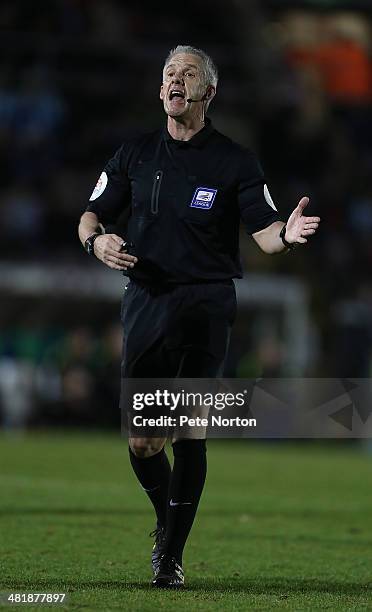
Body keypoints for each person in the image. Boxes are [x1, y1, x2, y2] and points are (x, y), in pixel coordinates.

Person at [78, 45, 320, 588]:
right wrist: (96, 241)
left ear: (208, 92)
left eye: (187, 75)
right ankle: (169, 522)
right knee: (143, 441)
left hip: (206, 304)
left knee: (189, 424)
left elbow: (265, 231)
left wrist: (287, 234)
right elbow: (90, 214)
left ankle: (171, 557)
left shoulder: (235, 161)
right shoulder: (134, 154)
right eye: (168, 74)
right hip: (145, 300)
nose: (174, 82)